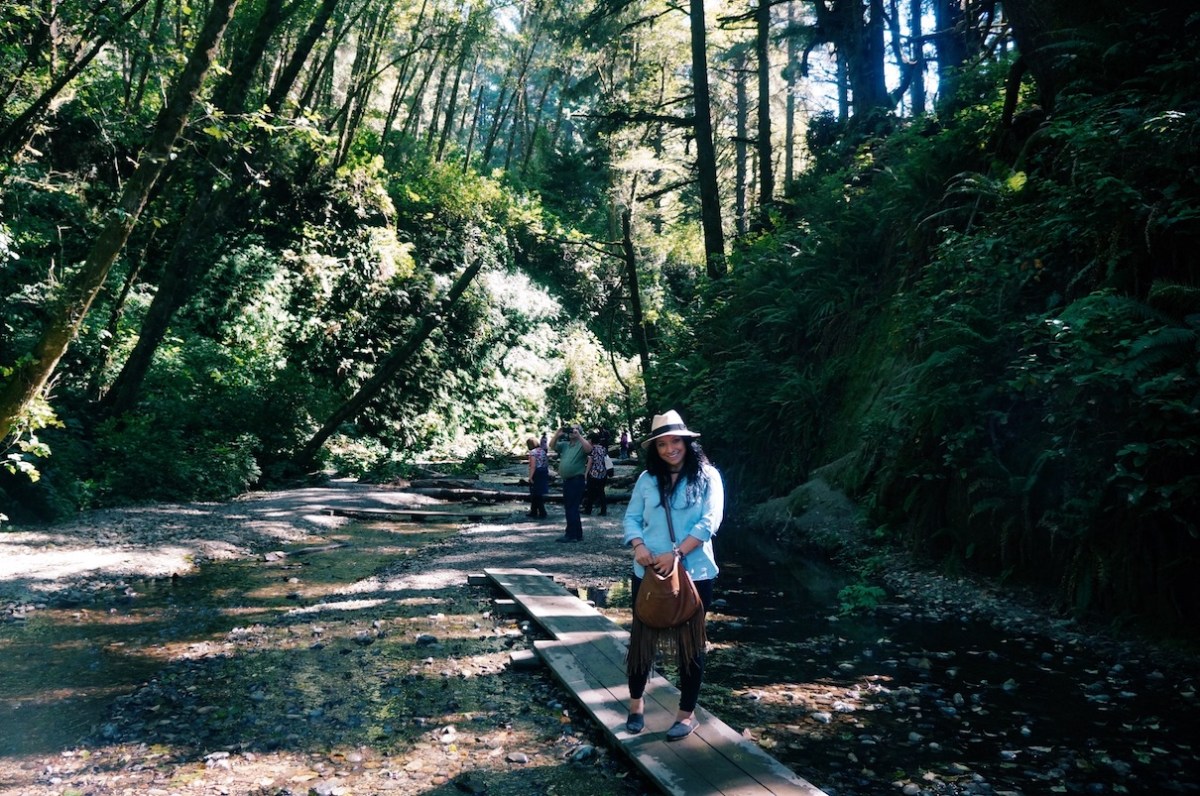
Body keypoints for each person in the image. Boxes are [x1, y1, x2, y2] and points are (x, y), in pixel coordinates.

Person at [622, 410, 723, 741]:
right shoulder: (647, 480)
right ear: (656, 448)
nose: (670, 449)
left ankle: (685, 714)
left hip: (695, 575)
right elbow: (632, 518)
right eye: (662, 444)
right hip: (648, 574)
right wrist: (637, 545)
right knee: (642, 642)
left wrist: (677, 554)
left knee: (691, 647)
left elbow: (710, 522)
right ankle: (636, 705)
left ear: (687, 442)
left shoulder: (708, 477)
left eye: (675, 441)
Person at [549, 423, 592, 542]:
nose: (573, 431)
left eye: (576, 429)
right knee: (571, 507)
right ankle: (577, 534)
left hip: (576, 480)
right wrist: (557, 434)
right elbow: (551, 445)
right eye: (571, 429)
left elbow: (589, 449)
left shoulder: (581, 444)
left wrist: (579, 436)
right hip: (568, 481)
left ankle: (571, 534)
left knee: (571, 507)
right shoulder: (565, 445)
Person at [582, 432, 610, 516]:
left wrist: (586, 473)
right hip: (603, 473)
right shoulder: (603, 448)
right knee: (601, 492)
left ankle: (588, 509)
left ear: (591, 440)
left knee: (590, 492)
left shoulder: (592, 449)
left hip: (594, 473)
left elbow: (590, 461)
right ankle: (603, 510)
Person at [526, 437, 550, 519]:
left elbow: (533, 466)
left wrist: (530, 477)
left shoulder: (533, 453)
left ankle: (542, 511)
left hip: (537, 473)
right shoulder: (542, 450)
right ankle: (534, 511)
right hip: (544, 472)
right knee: (538, 492)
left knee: (535, 493)